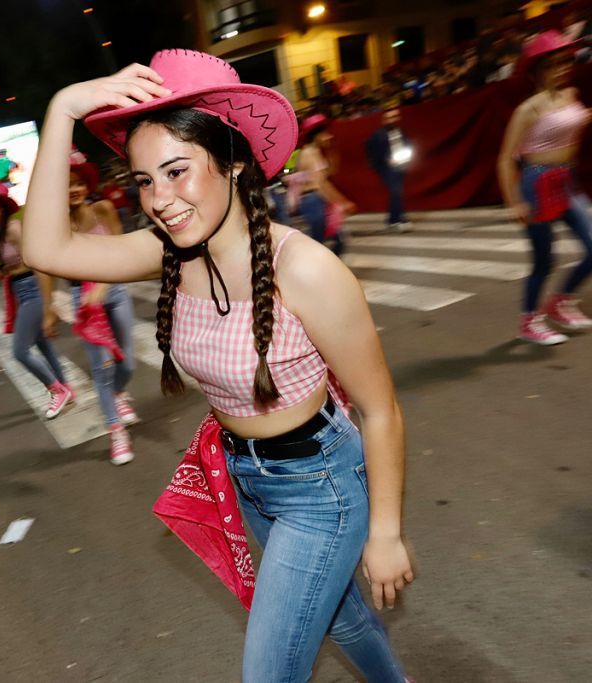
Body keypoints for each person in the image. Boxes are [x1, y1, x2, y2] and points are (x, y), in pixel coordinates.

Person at [22, 49, 413, 681]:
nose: (160, 199)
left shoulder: (305, 269)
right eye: (145, 180)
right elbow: (45, 246)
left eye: (178, 171)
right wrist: (63, 106)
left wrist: (387, 533)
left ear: (233, 162)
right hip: (244, 474)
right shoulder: (169, 252)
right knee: (339, 617)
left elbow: (379, 407)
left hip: (322, 486)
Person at [497, 30, 592, 345]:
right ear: (536, 70)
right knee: (544, 259)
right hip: (536, 182)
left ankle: (560, 301)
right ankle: (529, 321)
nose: (562, 68)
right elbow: (505, 159)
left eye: (565, 61)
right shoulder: (528, 109)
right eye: (553, 63)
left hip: (566, 180)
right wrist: (514, 201)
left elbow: (569, 129)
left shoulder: (571, 95)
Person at [0, 183, 74, 419]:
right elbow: (8, 270)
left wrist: (48, 305)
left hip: (32, 291)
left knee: (20, 351)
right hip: (21, 291)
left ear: (1, 208)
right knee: (43, 346)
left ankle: (56, 390)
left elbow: (36, 262)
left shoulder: (14, 228)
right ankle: (67, 389)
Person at [67, 151, 138, 465]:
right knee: (101, 370)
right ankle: (115, 431)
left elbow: (122, 255)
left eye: (78, 183)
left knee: (129, 363)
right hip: (83, 300)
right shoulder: (58, 225)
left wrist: (101, 288)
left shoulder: (104, 209)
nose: (73, 189)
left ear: (87, 185)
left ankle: (118, 394)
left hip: (114, 291)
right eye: (67, 184)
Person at [296, 114, 356, 256]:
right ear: (316, 136)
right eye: (324, 133)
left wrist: (331, 154)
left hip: (315, 199)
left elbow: (326, 175)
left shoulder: (314, 152)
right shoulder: (310, 153)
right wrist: (342, 202)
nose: (328, 136)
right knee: (320, 243)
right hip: (312, 201)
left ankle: (327, 269)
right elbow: (321, 184)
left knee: (333, 240)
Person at [366, 107, 413, 233]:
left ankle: (394, 218)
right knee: (396, 191)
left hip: (401, 165)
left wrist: (408, 157)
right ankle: (396, 219)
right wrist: (383, 161)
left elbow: (408, 144)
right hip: (387, 168)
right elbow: (370, 150)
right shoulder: (378, 134)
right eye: (390, 117)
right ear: (384, 120)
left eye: (395, 116)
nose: (393, 119)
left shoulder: (401, 132)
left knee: (397, 192)